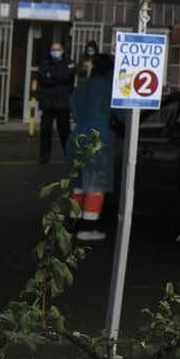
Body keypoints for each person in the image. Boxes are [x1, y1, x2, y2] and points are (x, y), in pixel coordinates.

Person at [67, 53, 124, 242]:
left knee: (78, 185)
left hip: (77, 137)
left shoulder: (81, 87)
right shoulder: (110, 88)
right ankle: (87, 227)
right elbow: (123, 116)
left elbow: (73, 109)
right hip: (99, 139)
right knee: (96, 185)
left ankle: (72, 224)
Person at [36, 41, 75, 164]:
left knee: (65, 132)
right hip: (48, 104)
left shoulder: (69, 63)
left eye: (57, 49)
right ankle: (44, 156)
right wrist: (57, 77)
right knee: (45, 131)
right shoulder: (45, 63)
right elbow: (42, 78)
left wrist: (52, 76)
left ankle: (68, 155)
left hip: (63, 105)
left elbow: (67, 76)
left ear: (62, 51)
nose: (55, 52)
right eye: (53, 49)